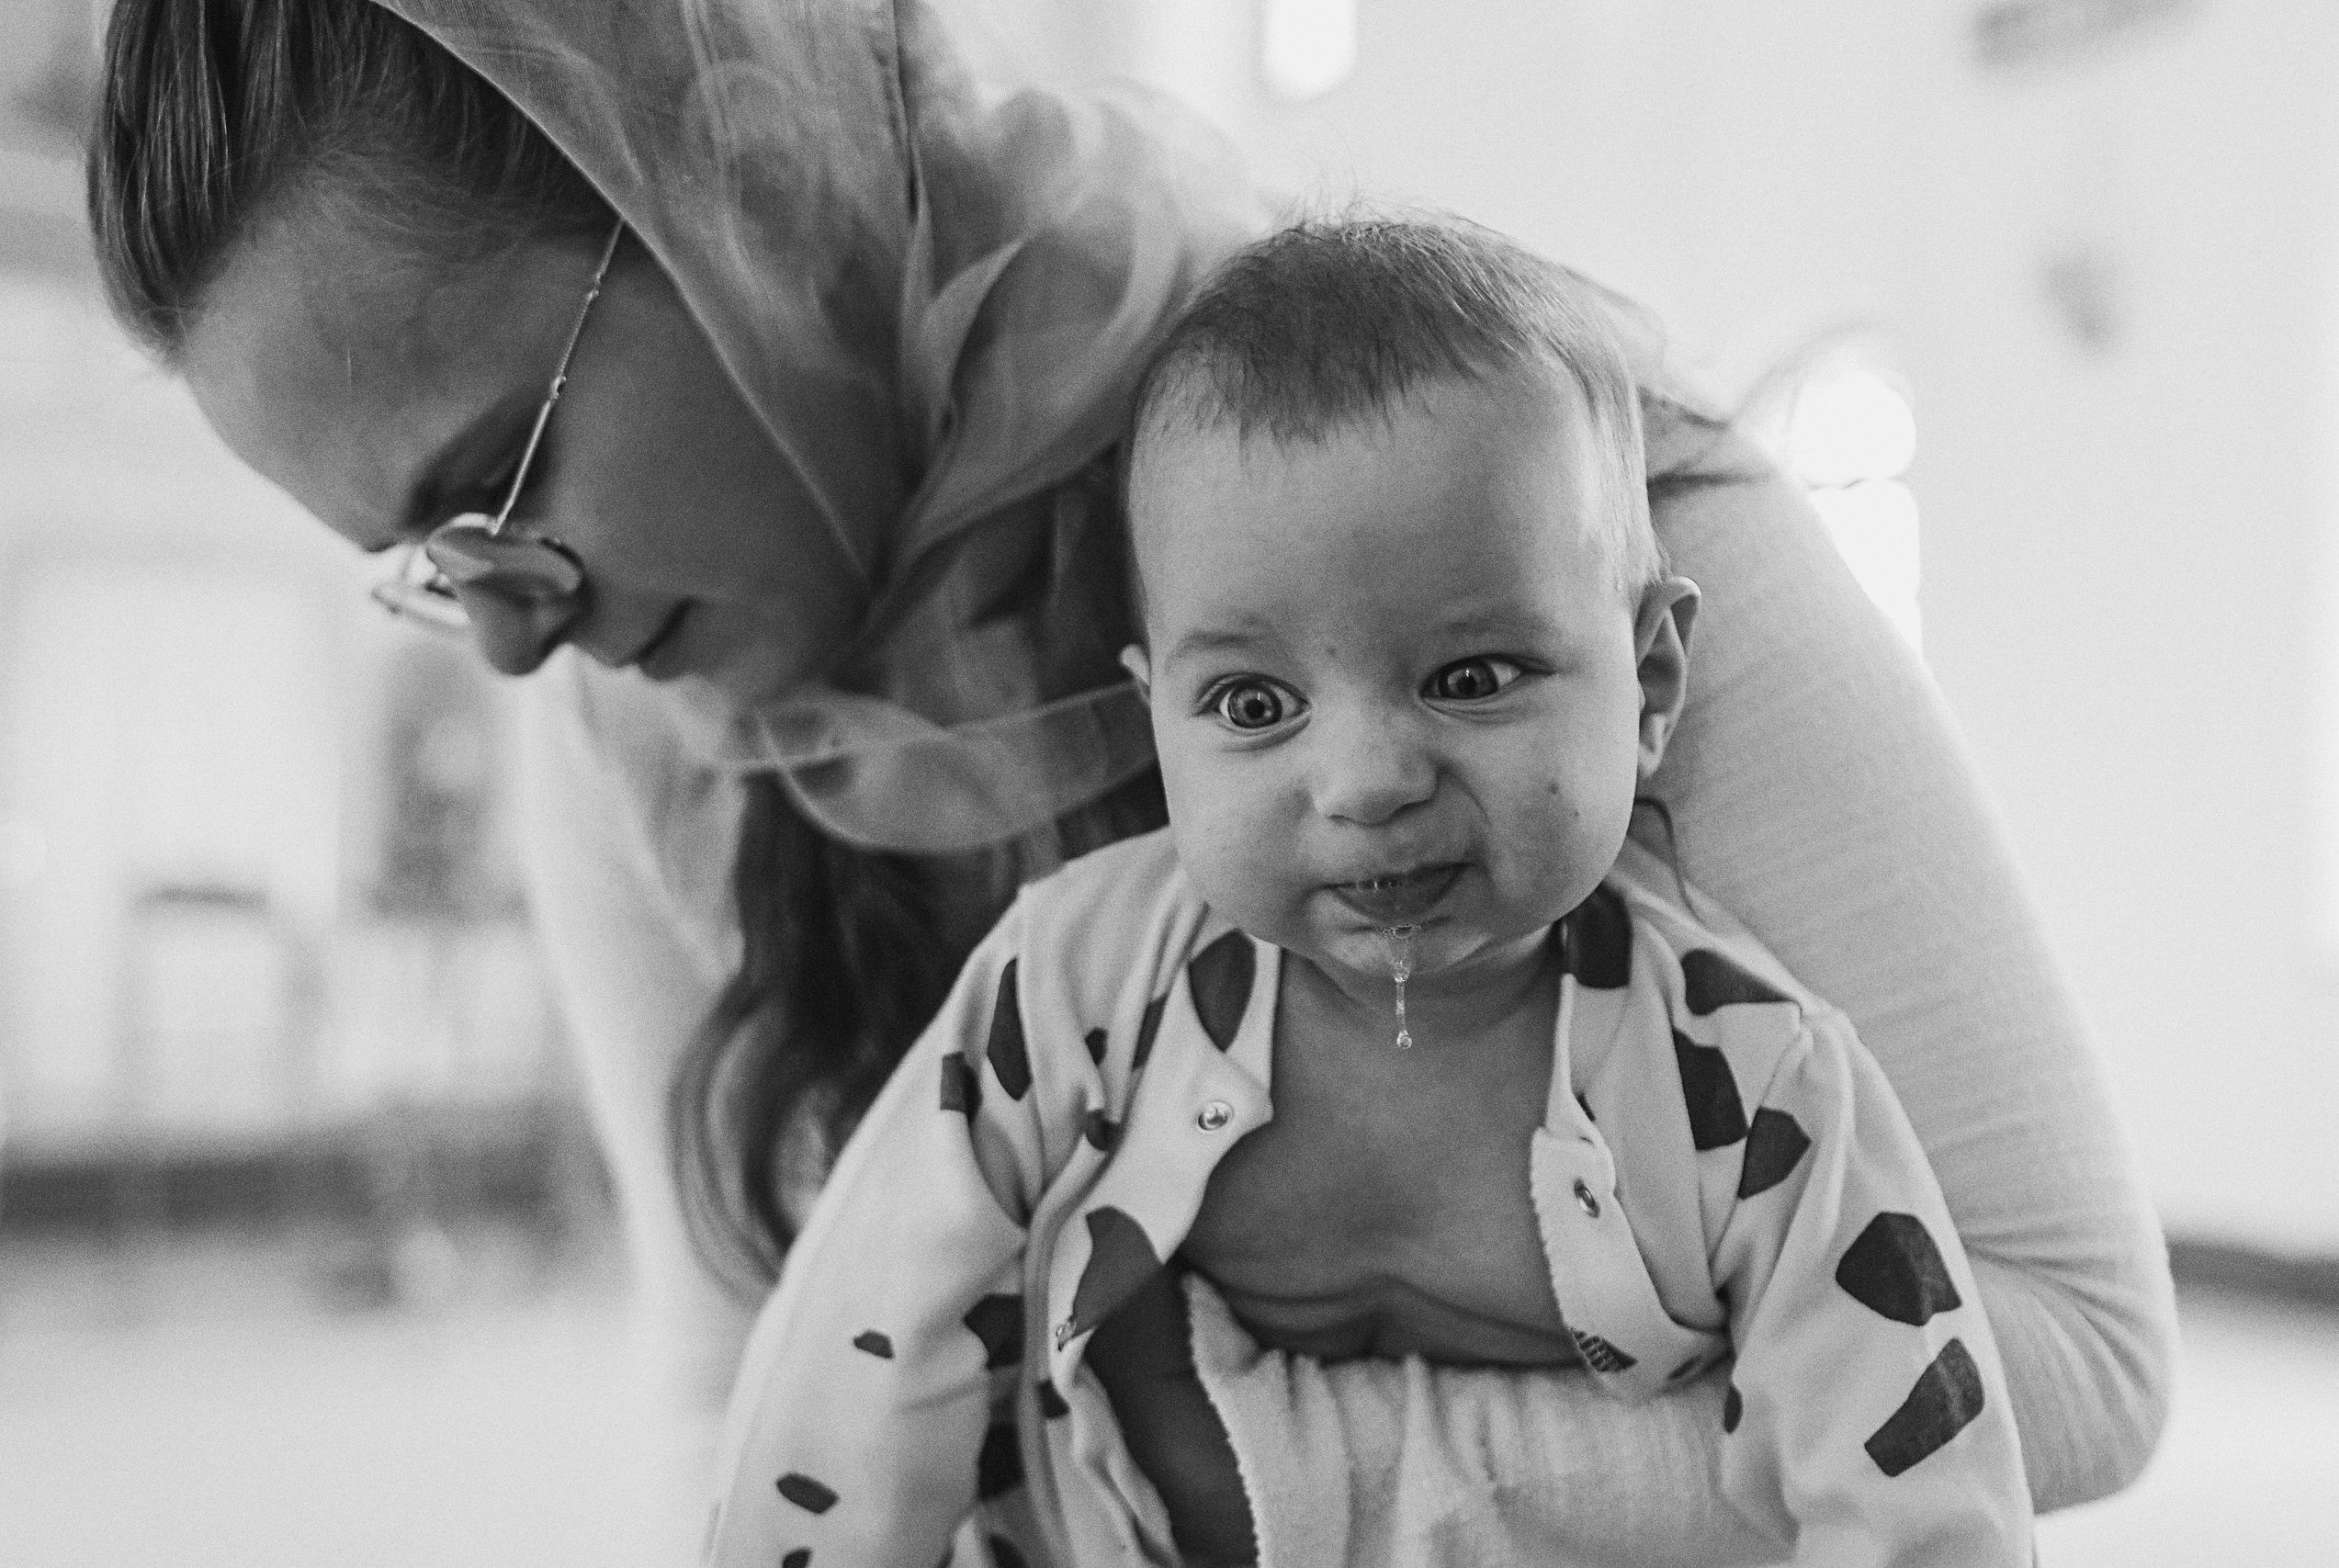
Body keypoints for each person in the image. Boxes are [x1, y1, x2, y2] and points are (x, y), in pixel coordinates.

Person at [88, 1, 2172, 1562]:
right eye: (425, 573)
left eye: (501, 488)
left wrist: (1241, 1473)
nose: (514, 635)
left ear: (730, 176)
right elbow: (742, 1401)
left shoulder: (1518, 500)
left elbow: (2067, 1347)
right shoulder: (636, 731)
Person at [704, 216, 2035, 1568]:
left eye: (1471, 676)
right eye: (1252, 702)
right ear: (1154, 715)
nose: (1365, 781)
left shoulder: (1758, 1100)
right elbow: (856, 1369)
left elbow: (1924, 1506)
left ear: (1650, 683)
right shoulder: (1066, 999)